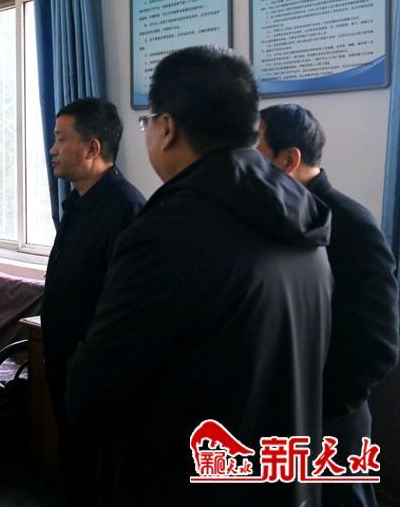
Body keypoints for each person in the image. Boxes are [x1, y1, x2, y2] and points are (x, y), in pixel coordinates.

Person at [65, 46, 333, 506]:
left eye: (148, 122)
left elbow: (95, 392)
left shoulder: (166, 233)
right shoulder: (304, 219)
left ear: (167, 128)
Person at [257, 103, 400, 507]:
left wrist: (317, 404)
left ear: (290, 160)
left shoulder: (353, 226)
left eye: (257, 153)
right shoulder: (271, 221)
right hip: (280, 420)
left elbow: (378, 344)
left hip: (332, 423)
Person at [41, 98, 145, 503]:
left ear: (92, 147)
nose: (52, 149)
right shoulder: (78, 201)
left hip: (96, 374)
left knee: (97, 476)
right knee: (75, 467)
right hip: (65, 363)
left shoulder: (125, 208)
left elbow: (123, 307)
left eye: (60, 139)